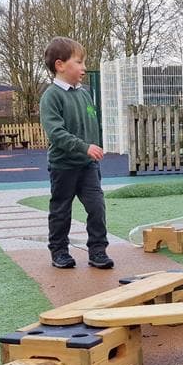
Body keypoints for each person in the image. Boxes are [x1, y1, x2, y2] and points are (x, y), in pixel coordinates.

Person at [39, 36, 112, 270]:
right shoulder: (51, 96)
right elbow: (56, 133)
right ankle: (59, 251)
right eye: (79, 62)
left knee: (97, 207)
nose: (83, 67)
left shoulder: (84, 93)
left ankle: (98, 250)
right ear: (60, 65)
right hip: (64, 166)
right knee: (61, 210)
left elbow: (91, 123)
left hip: (88, 165)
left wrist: (94, 146)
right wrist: (84, 146)